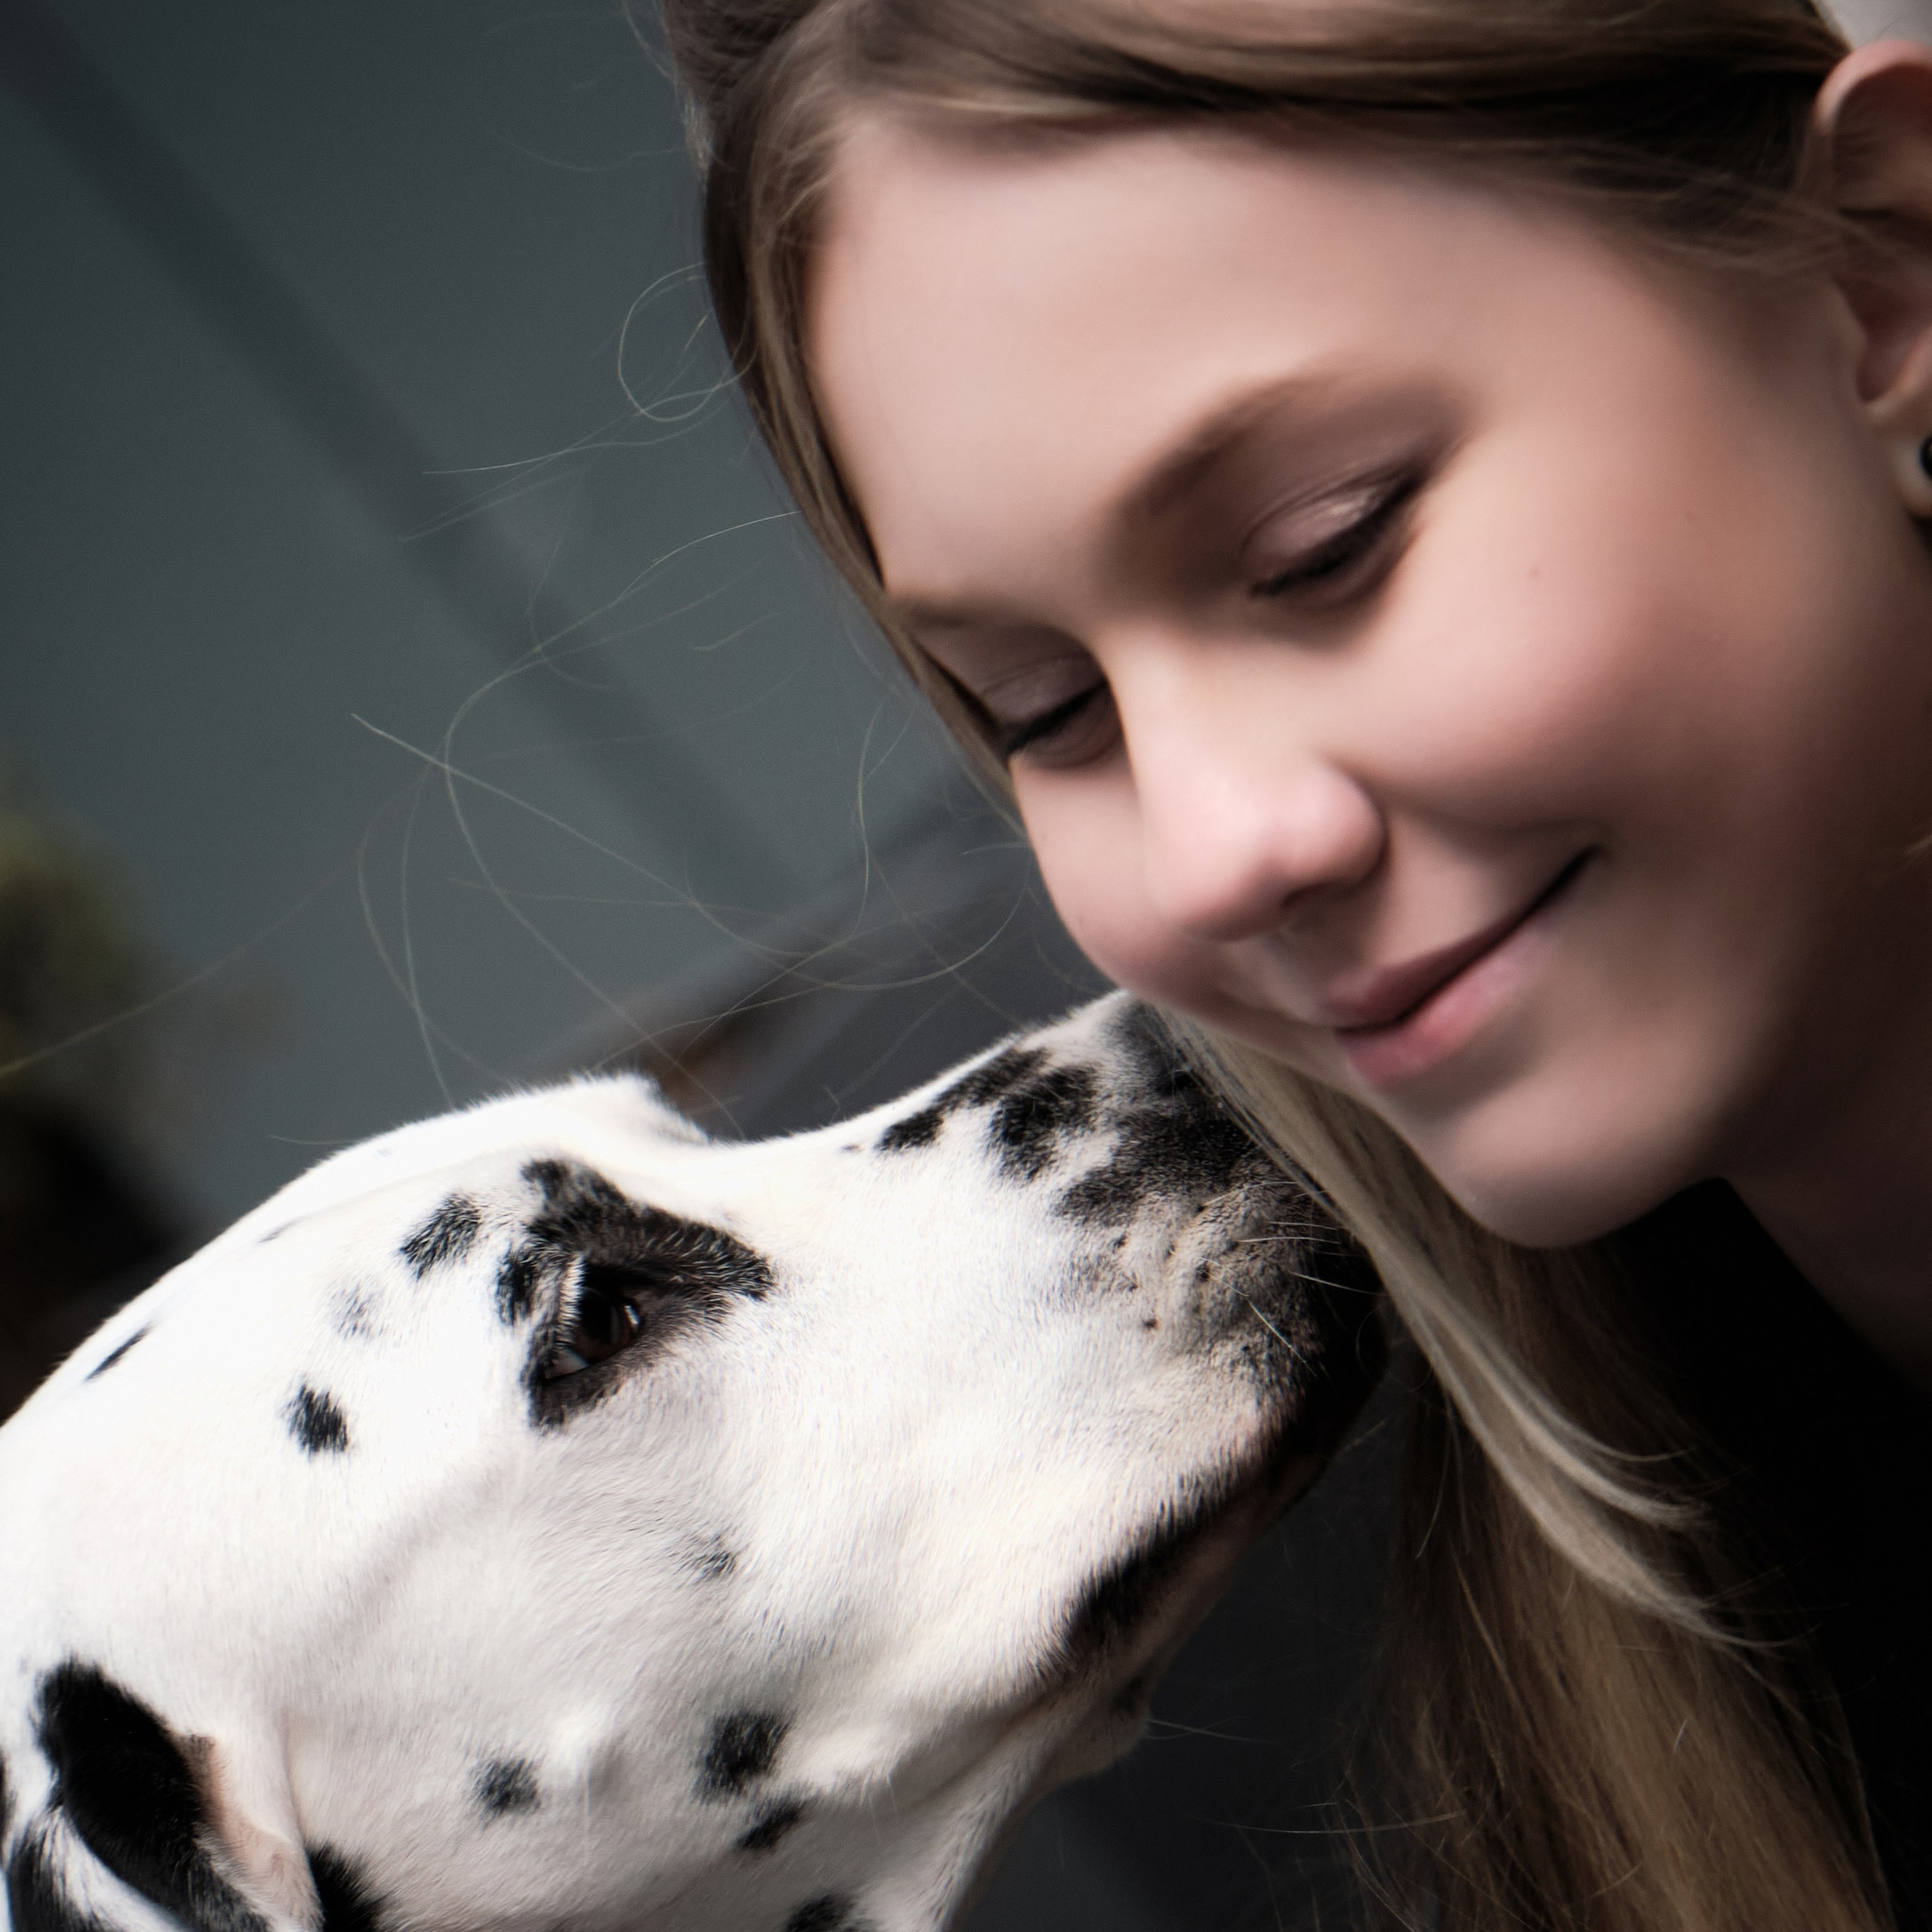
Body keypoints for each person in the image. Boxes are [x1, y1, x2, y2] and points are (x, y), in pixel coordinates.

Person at [648, 2, 1932, 1926]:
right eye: (1045, 706)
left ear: (1873, 274)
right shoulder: (1419, 1689)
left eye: (1324, 549)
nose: (1213, 847)